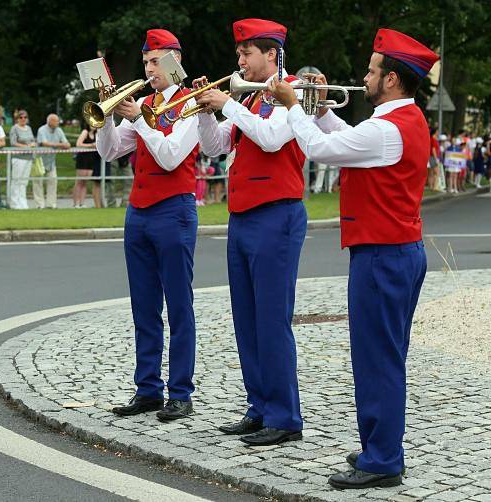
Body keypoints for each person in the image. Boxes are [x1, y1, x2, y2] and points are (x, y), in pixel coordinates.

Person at [270, 27, 439, 490]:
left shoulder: (387, 127)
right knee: (384, 356)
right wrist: (320, 109)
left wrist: (291, 105)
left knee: (376, 360)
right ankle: (380, 445)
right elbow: (349, 141)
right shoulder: (400, 121)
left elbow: (324, 150)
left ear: (390, 80)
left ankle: (383, 459)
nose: (364, 77)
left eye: (371, 69)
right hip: (396, 252)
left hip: (382, 256)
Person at [195, 18, 307, 447]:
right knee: (246, 319)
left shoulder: (292, 92)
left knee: (272, 320)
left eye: (246, 53)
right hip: (242, 216)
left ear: (271, 54)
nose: (239, 60)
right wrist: (207, 111)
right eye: (239, 53)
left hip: (277, 215)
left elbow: (272, 138)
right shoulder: (248, 97)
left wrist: (226, 102)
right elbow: (216, 145)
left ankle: (284, 416)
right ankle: (259, 406)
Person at [96, 29, 200, 422]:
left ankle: (181, 392)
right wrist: (106, 116)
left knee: (178, 305)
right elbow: (109, 152)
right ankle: (148, 389)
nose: (148, 69)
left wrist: (139, 118)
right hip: (138, 212)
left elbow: (172, 156)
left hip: (174, 210)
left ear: (175, 60)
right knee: (143, 306)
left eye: (155, 62)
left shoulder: (188, 104)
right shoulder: (144, 103)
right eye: (145, 63)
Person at [34, 114, 70, 209]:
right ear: (49, 121)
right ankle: (39, 205)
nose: (57, 123)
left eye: (58, 121)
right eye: (56, 121)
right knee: (38, 183)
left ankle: (51, 204)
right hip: (39, 160)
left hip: (51, 161)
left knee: (53, 181)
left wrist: (64, 144)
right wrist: (60, 145)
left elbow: (66, 143)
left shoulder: (59, 130)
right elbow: (44, 143)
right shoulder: (41, 129)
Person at [7, 110, 36, 209]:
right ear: (17, 119)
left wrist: (32, 145)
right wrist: (25, 146)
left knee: (24, 181)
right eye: (21, 117)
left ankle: (23, 202)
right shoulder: (14, 128)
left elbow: (32, 140)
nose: (23, 119)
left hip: (28, 157)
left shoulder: (29, 128)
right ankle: (14, 203)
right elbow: (13, 142)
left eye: (25, 117)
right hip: (18, 157)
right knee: (16, 180)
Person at [74, 126, 99, 208]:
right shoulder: (85, 132)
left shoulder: (96, 134)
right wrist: (91, 145)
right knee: (79, 182)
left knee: (85, 182)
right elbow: (78, 144)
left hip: (91, 159)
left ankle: (82, 203)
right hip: (82, 159)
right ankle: (76, 203)